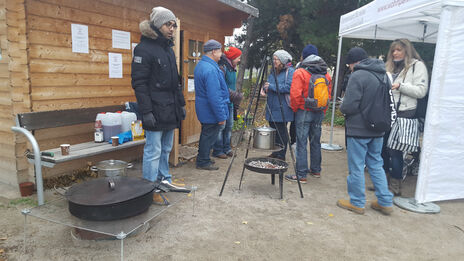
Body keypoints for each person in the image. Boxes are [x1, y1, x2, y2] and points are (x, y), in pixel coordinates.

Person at [131, 7, 186, 188]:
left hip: (170, 109)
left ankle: (164, 179)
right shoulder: (143, 49)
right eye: (167, 24)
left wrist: (181, 104)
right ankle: (149, 187)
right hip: (154, 110)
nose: (171, 28)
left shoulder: (169, 50)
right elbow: (139, 83)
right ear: (156, 25)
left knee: (166, 149)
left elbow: (175, 82)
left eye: (173, 25)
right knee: (153, 150)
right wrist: (146, 111)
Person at [337, 47, 394, 215]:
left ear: (354, 62)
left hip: (359, 129)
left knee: (356, 167)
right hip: (378, 128)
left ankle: (357, 202)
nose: (349, 68)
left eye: (349, 64)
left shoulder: (358, 75)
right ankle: (385, 201)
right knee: (376, 164)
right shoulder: (384, 75)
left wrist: (342, 107)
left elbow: (349, 105)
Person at [383, 39, 428, 196]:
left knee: (395, 151)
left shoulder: (417, 66)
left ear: (407, 51)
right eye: (393, 50)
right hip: (388, 112)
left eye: (399, 50)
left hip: (404, 113)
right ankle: (383, 183)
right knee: (384, 149)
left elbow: (421, 91)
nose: (395, 53)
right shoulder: (389, 66)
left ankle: (395, 187)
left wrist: (401, 86)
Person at [286, 44, 332, 183]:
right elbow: (328, 95)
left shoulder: (300, 72)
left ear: (304, 56)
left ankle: (301, 174)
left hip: (304, 110)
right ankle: (316, 170)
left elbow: (295, 95)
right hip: (319, 111)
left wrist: (295, 109)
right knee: (315, 140)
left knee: (301, 142)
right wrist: (323, 109)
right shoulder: (326, 73)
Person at [194, 39, 230, 170]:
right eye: (220, 51)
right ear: (214, 51)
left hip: (205, 108)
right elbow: (214, 96)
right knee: (209, 135)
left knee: (207, 134)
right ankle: (203, 161)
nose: (221, 54)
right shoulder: (210, 69)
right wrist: (221, 116)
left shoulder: (202, 65)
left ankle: (204, 158)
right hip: (210, 110)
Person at [261, 50, 295, 161]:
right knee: (273, 130)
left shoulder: (290, 72)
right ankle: (275, 152)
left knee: (281, 131)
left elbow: (288, 87)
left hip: (283, 107)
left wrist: (271, 86)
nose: (274, 61)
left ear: (283, 60)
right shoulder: (274, 71)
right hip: (272, 106)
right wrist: (264, 88)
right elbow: (269, 83)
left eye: (276, 59)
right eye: (273, 59)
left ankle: (281, 154)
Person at [212, 46, 242, 159]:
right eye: (238, 57)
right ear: (233, 57)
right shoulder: (223, 68)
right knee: (221, 127)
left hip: (230, 103)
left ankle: (227, 148)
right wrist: (234, 95)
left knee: (229, 126)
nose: (239, 60)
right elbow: (221, 87)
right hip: (223, 102)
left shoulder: (233, 68)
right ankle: (218, 150)